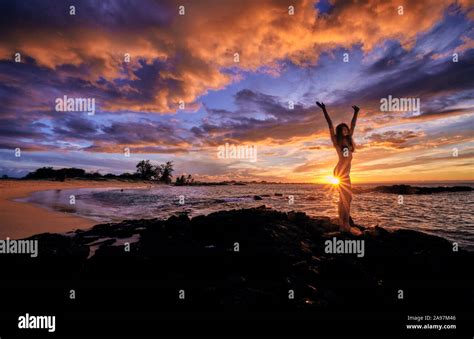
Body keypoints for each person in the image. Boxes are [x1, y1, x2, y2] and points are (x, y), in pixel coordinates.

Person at [316, 101, 362, 236]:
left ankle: (343, 223)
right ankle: (346, 225)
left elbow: (353, 125)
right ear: (339, 131)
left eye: (346, 129)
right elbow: (329, 125)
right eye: (343, 129)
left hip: (345, 172)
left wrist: (356, 113)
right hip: (340, 172)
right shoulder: (337, 141)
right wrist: (324, 110)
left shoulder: (349, 140)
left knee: (345, 198)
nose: (346, 130)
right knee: (347, 198)